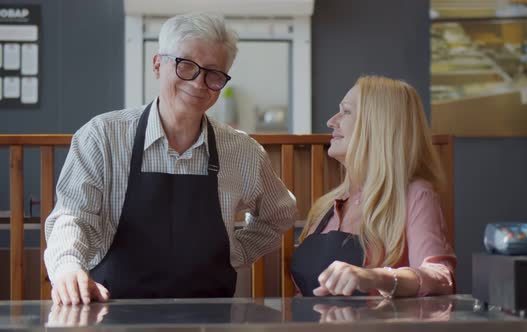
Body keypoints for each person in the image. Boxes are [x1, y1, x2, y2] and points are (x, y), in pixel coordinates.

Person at [45, 12, 296, 304]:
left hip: (212, 319)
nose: (199, 82)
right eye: (186, 65)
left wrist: (234, 251)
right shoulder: (102, 137)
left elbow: (279, 215)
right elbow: (72, 217)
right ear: (157, 65)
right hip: (114, 315)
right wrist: (67, 264)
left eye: (213, 74)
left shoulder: (242, 151)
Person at [290, 76, 455, 297]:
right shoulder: (326, 206)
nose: (331, 121)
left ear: (378, 125)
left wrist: (375, 277)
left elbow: (442, 278)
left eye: (346, 112)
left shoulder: (416, 195)